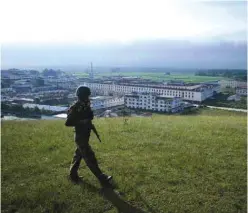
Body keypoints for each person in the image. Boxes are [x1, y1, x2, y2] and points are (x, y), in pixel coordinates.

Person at [65, 86, 112, 185]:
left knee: (78, 156)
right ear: (82, 96)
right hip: (80, 136)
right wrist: (83, 121)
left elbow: (90, 116)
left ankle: (72, 175)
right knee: (90, 157)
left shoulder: (85, 104)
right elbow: (68, 122)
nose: (88, 98)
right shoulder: (75, 107)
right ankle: (101, 177)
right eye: (87, 96)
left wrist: (88, 117)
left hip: (85, 135)